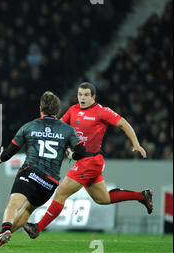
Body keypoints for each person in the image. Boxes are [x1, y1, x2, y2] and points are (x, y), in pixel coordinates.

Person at [22, 82, 153, 239]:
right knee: (103, 199)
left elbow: (123, 124)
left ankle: (37, 227)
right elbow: (59, 129)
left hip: (90, 161)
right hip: (83, 161)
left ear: (93, 97)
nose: (82, 98)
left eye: (85, 95)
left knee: (61, 193)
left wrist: (136, 144)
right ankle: (142, 196)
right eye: (79, 94)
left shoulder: (102, 112)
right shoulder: (73, 110)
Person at [0, 91, 90, 249]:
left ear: (40, 108)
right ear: (58, 110)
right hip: (50, 182)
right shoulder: (67, 130)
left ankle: (5, 231)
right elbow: (82, 152)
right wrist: (71, 153)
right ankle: (2, 236)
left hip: (31, 171)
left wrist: (0, 158)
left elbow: (10, 151)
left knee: (14, 203)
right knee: (28, 208)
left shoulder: (29, 126)